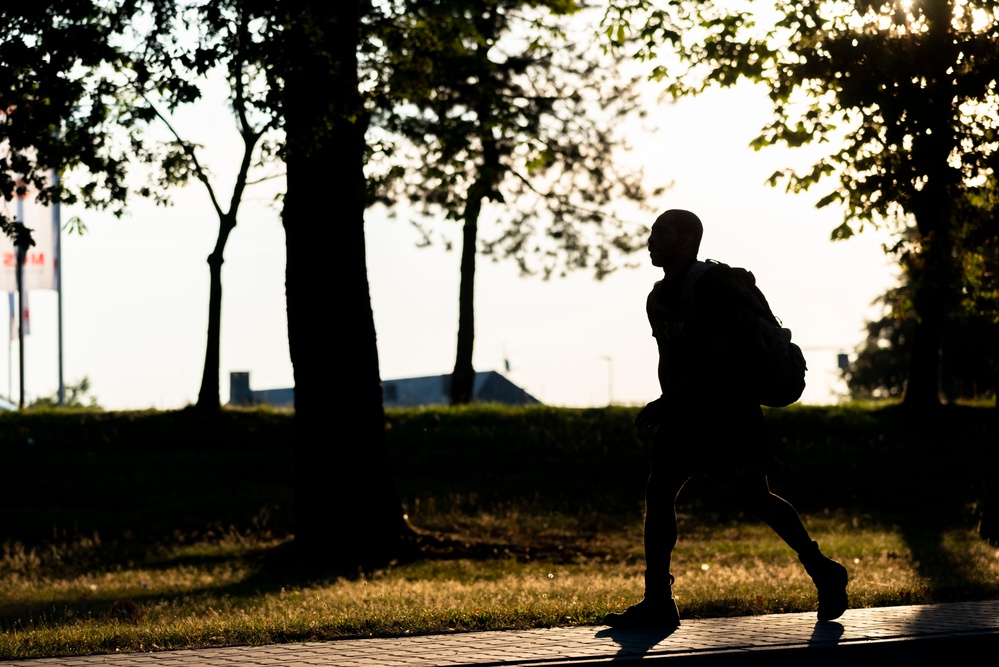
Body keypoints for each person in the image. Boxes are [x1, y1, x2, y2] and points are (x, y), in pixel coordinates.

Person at [603, 208, 848, 628]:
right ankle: (658, 599)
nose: (651, 241)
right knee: (659, 491)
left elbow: (726, 356)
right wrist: (669, 400)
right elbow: (670, 356)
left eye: (661, 234)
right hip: (684, 411)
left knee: (755, 496)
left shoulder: (711, 287)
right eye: (651, 233)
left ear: (686, 241)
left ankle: (823, 569)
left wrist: (673, 399)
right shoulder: (657, 298)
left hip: (729, 411)